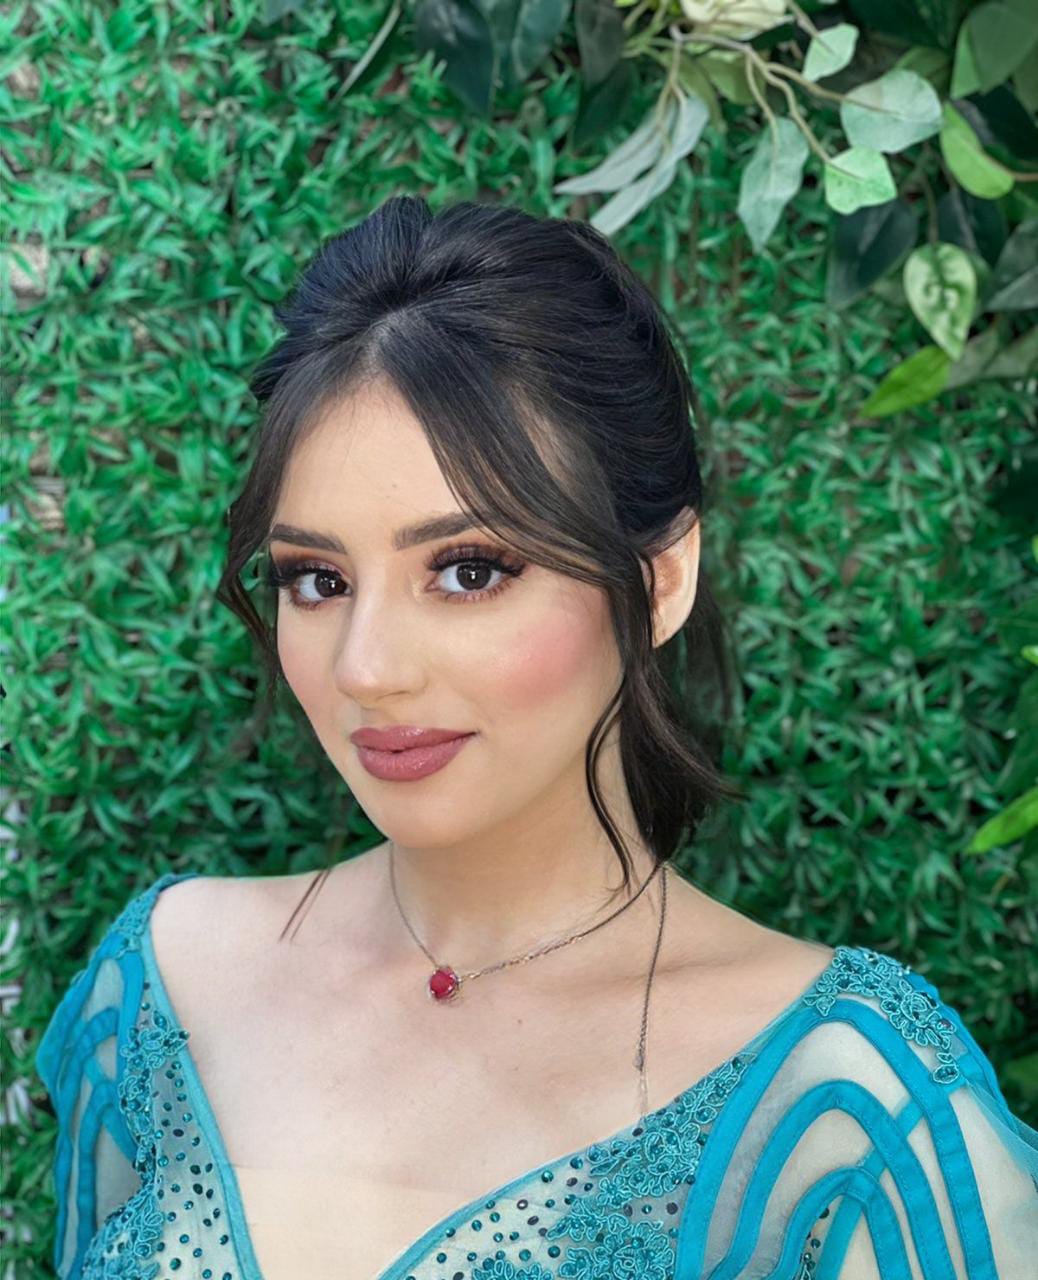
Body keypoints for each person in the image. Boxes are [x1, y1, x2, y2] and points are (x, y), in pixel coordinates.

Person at [36, 196, 1038, 1279]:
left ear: (659, 581)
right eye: (316, 580)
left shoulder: (849, 1105)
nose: (367, 667)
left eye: (469, 569)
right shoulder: (165, 988)